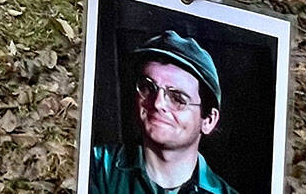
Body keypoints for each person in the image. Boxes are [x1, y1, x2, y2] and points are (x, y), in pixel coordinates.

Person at [89, 30, 238, 194]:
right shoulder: (95, 168)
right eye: (148, 88)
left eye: (177, 98)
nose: (158, 103)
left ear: (208, 120)